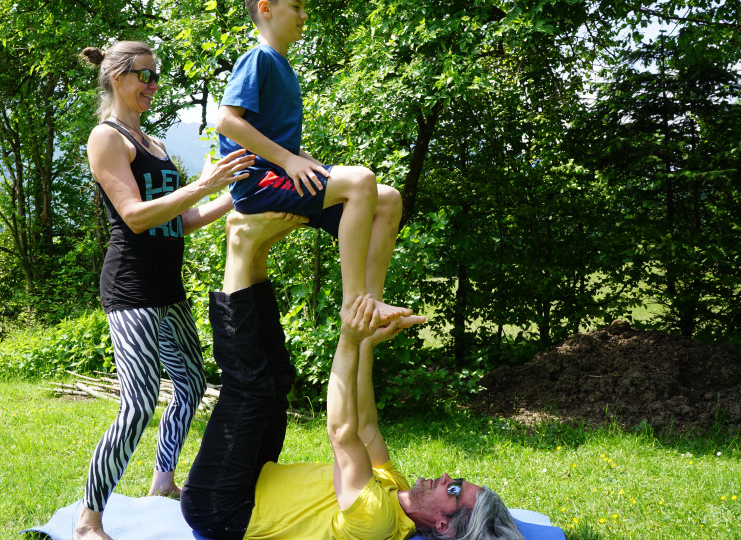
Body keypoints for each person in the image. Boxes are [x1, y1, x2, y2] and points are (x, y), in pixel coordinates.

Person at [180, 212, 523, 540]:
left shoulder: (378, 522)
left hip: (222, 508)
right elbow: (365, 427)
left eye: (454, 490)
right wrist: (367, 344)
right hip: (254, 480)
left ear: (443, 525)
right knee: (279, 377)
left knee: (251, 388)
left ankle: (239, 244)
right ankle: (257, 251)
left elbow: (342, 434)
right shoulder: (397, 489)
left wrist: (350, 337)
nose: (448, 477)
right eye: (458, 479)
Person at [76, 41, 256, 540]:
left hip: (168, 291)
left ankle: (162, 482)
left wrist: (233, 197)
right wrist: (201, 185)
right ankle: (89, 520)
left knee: (192, 384)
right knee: (136, 404)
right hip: (131, 291)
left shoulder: (152, 142)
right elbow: (134, 218)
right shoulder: (107, 138)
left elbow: (182, 219)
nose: (153, 85)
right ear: (117, 76)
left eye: (156, 76)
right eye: (145, 76)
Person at [215, 0, 411, 323]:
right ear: (266, 9)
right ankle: (355, 302)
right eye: (296, 6)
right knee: (361, 180)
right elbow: (225, 121)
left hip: (281, 179)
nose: (304, 15)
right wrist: (289, 162)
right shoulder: (258, 59)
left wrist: (308, 163)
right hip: (258, 186)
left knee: (388, 199)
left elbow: (282, 144)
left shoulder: (285, 68)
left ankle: (373, 304)